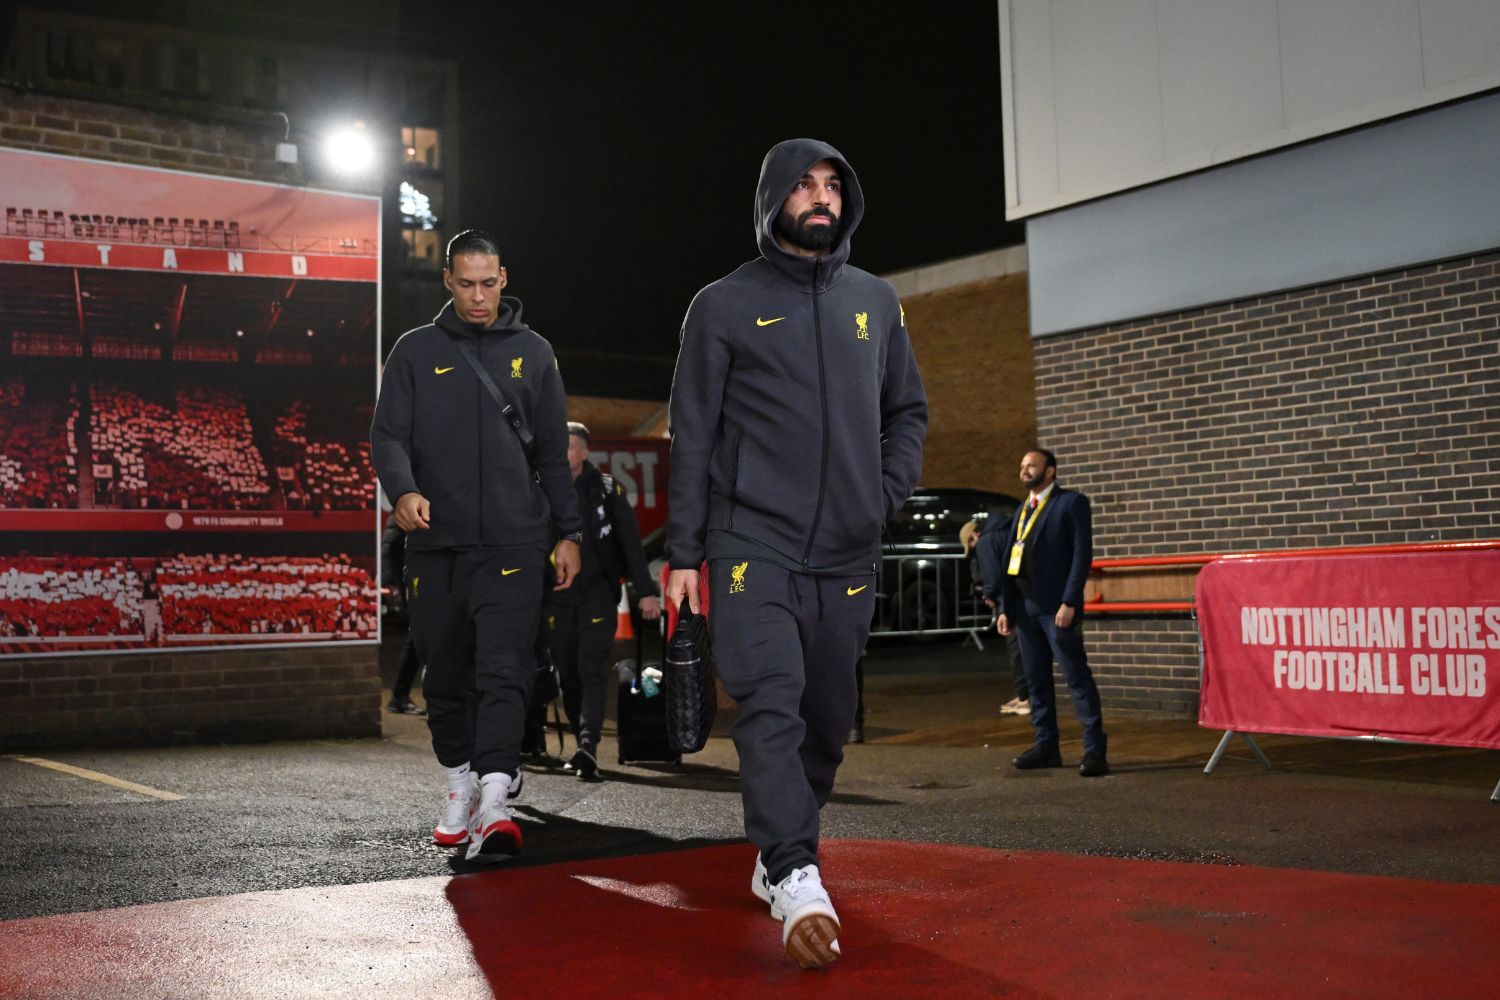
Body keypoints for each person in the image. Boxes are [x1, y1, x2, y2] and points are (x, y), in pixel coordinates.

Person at [664, 138, 927, 969]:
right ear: (774, 199)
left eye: (833, 186)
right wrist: (682, 555)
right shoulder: (722, 306)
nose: (822, 199)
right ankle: (796, 870)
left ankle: (778, 854)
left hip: (848, 552)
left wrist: (880, 497)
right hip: (753, 543)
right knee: (770, 703)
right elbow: (694, 438)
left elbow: (908, 412)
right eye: (805, 186)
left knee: (825, 724)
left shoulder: (875, 303)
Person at [370, 229, 582, 863]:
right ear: (447, 280)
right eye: (466, 284)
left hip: (516, 542)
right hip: (437, 544)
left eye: (489, 283)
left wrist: (568, 534)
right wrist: (403, 492)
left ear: (504, 277)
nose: (479, 296)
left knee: (504, 670)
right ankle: (458, 784)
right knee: (444, 672)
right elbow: (387, 437)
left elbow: (550, 453)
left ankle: (494, 799)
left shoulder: (534, 352)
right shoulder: (414, 350)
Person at [547, 421, 662, 780]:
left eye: (568, 446)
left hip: (597, 595)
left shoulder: (607, 490)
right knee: (567, 673)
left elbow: (630, 542)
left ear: (583, 453)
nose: (561, 452)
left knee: (591, 666)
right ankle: (581, 734)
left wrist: (646, 592)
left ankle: (587, 745)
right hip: (556, 598)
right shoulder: (543, 488)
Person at [995, 449, 1109, 777]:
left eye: (1031, 465)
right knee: (1036, 681)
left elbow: (1081, 554)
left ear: (1050, 471)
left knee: (1076, 676)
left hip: (1057, 609)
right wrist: (1006, 607)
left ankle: (1095, 750)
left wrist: (1070, 600)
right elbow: (1009, 563)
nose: (1024, 470)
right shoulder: (1021, 510)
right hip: (1025, 608)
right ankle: (1046, 746)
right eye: (1022, 465)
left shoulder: (1071, 504)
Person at [967, 512, 1030, 715]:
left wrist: (991, 596)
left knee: (1016, 647)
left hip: (1011, 598)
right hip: (1026, 593)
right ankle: (1026, 694)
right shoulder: (1005, 532)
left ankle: (1025, 697)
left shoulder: (986, 542)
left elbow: (995, 575)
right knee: (1026, 646)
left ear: (974, 535)